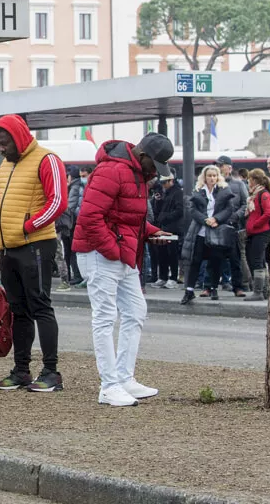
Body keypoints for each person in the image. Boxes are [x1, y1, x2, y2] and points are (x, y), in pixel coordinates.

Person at [69, 133, 173, 406]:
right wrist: (115, 249)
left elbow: (127, 218)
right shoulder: (112, 170)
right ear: (142, 156)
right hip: (102, 253)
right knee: (105, 317)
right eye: (155, 165)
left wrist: (150, 232)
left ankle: (124, 379)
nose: (155, 172)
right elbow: (90, 217)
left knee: (135, 312)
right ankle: (110, 385)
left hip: (117, 252)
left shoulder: (134, 172)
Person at [0, 114, 68, 393]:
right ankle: (21, 370)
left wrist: (28, 226)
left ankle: (51, 372)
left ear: (18, 138)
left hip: (35, 244)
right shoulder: (5, 166)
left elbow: (58, 200)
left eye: (4, 142)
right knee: (19, 310)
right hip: (10, 246)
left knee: (40, 306)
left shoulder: (47, 159)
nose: (0, 148)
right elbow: (0, 207)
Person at [180, 165, 239, 304]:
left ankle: (213, 287)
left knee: (216, 260)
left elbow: (229, 208)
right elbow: (192, 210)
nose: (212, 178)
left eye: (214, 175)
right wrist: (205, 219)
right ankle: (189, 291)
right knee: (195, 261)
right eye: (209, 176)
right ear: (204, 177)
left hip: (217, 230)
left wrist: (216, 219)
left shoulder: (224, 190)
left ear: (218, 176)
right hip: (200, 231)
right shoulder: (199, 190)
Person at [215, 155, 250, 296]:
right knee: (216, 257)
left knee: (235, 258)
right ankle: (216, 284)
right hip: (218, 224)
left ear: (229, 167)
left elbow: (245, 203)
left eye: (221, 165)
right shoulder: (215, 184)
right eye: (218, 165)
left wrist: (236, 216)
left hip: (234, 225)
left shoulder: (239, 184)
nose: (219, 168)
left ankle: (238, 286)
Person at [148, 173, 185, 289]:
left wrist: (165, 217)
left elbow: (179, 210)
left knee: (171, 254)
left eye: (165, 182)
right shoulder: (166, 192)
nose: (163, 185)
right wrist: (157, 202)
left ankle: (172, 277)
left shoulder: (178, 193)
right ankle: (163, 277)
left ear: (171, 181)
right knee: (162, 253)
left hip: (173, 228)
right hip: (165, 227)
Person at [246, 168, 270, 297]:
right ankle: (264, 290)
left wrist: (256, 224)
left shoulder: (263, 195)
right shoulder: (255, 195)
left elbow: (269, 213)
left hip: (261, 232)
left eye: (249, 179)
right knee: (259, 261)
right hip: (255, 232)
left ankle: (258, 291)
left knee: (257, 260)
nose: (248, 181)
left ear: (254, 180)